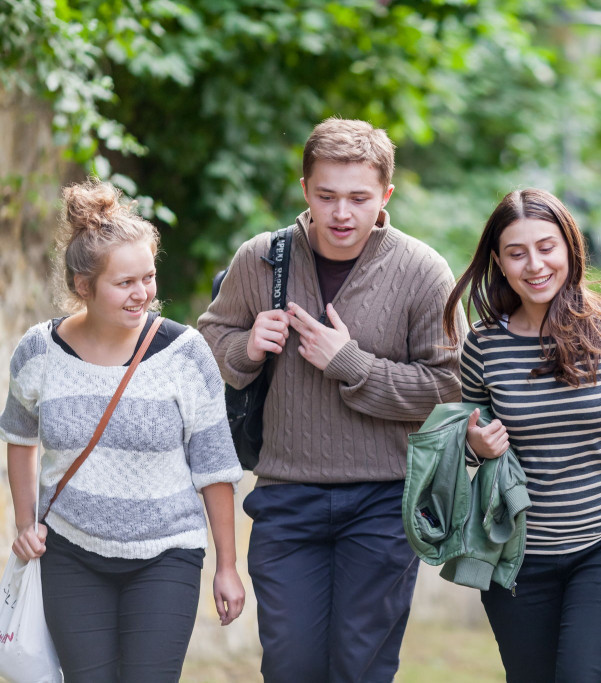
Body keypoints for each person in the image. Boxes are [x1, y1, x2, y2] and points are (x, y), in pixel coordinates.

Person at [197, 117, 465, 682]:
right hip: (286, 500)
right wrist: (245, 347)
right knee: (290, 666)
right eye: (327, 196)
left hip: (385, 503)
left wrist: (351, 364)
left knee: (357, 668)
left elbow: (451, 386)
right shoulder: (261, 258)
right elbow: (209, 344)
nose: (342, 213)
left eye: (359, 198)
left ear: (386, 196)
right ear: (304, 191)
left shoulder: (423, 271)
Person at [0, 178, 245, 682]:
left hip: (167, 555)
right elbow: (19, 437)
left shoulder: (186, 352)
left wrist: (226, 564)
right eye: (125, 283)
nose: (143, 294)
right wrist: (25, 524)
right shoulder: (37, 351)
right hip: (70, 552)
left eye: (148, 278)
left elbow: (215, 466)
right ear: (82, 286)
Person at [441, 188, 601, 683]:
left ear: (570, 248)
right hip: (518, 553)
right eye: (517, 252)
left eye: (546, 247)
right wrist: (474, 445)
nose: (535, 264)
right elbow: (470, 442)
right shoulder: (483, 346)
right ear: (499, 262)